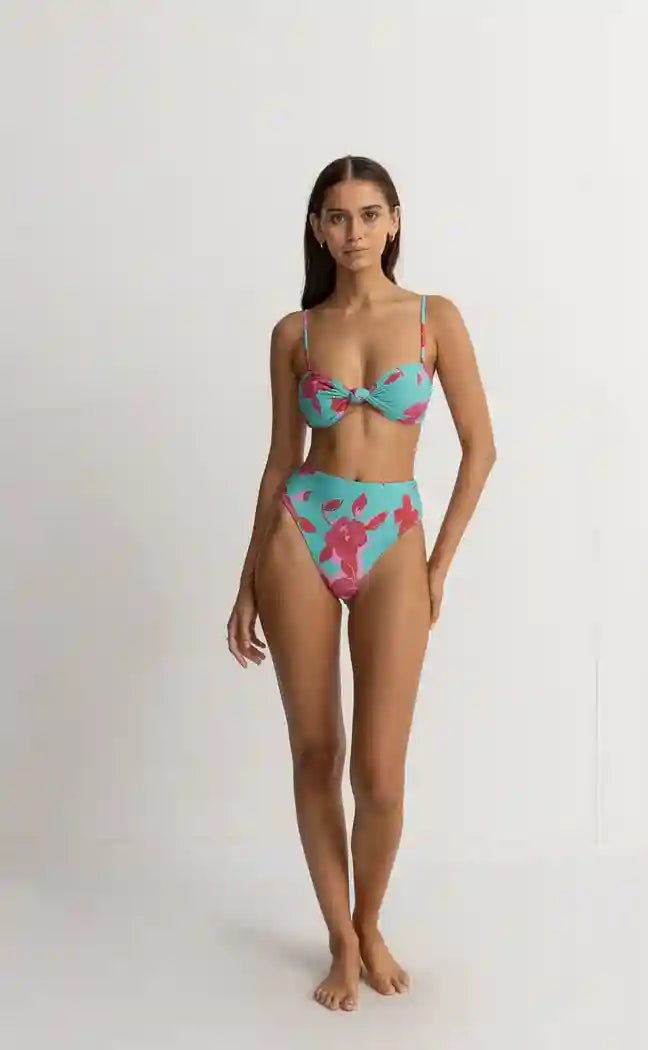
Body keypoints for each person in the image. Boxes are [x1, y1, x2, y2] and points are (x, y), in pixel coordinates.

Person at [227, 154, 497, 1012]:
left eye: (369, 214)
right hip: (301, 534)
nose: (354, 232)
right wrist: (245, 581)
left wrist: (438, 564)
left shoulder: (433, 318)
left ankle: (371, 921)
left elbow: (481, 448)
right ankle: (341, 940)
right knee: (317, 753)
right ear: (317, 228)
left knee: (379, 775)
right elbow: (280, 459)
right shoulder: (295, 333)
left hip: (393, 539)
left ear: (394, 221)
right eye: (337, 217)